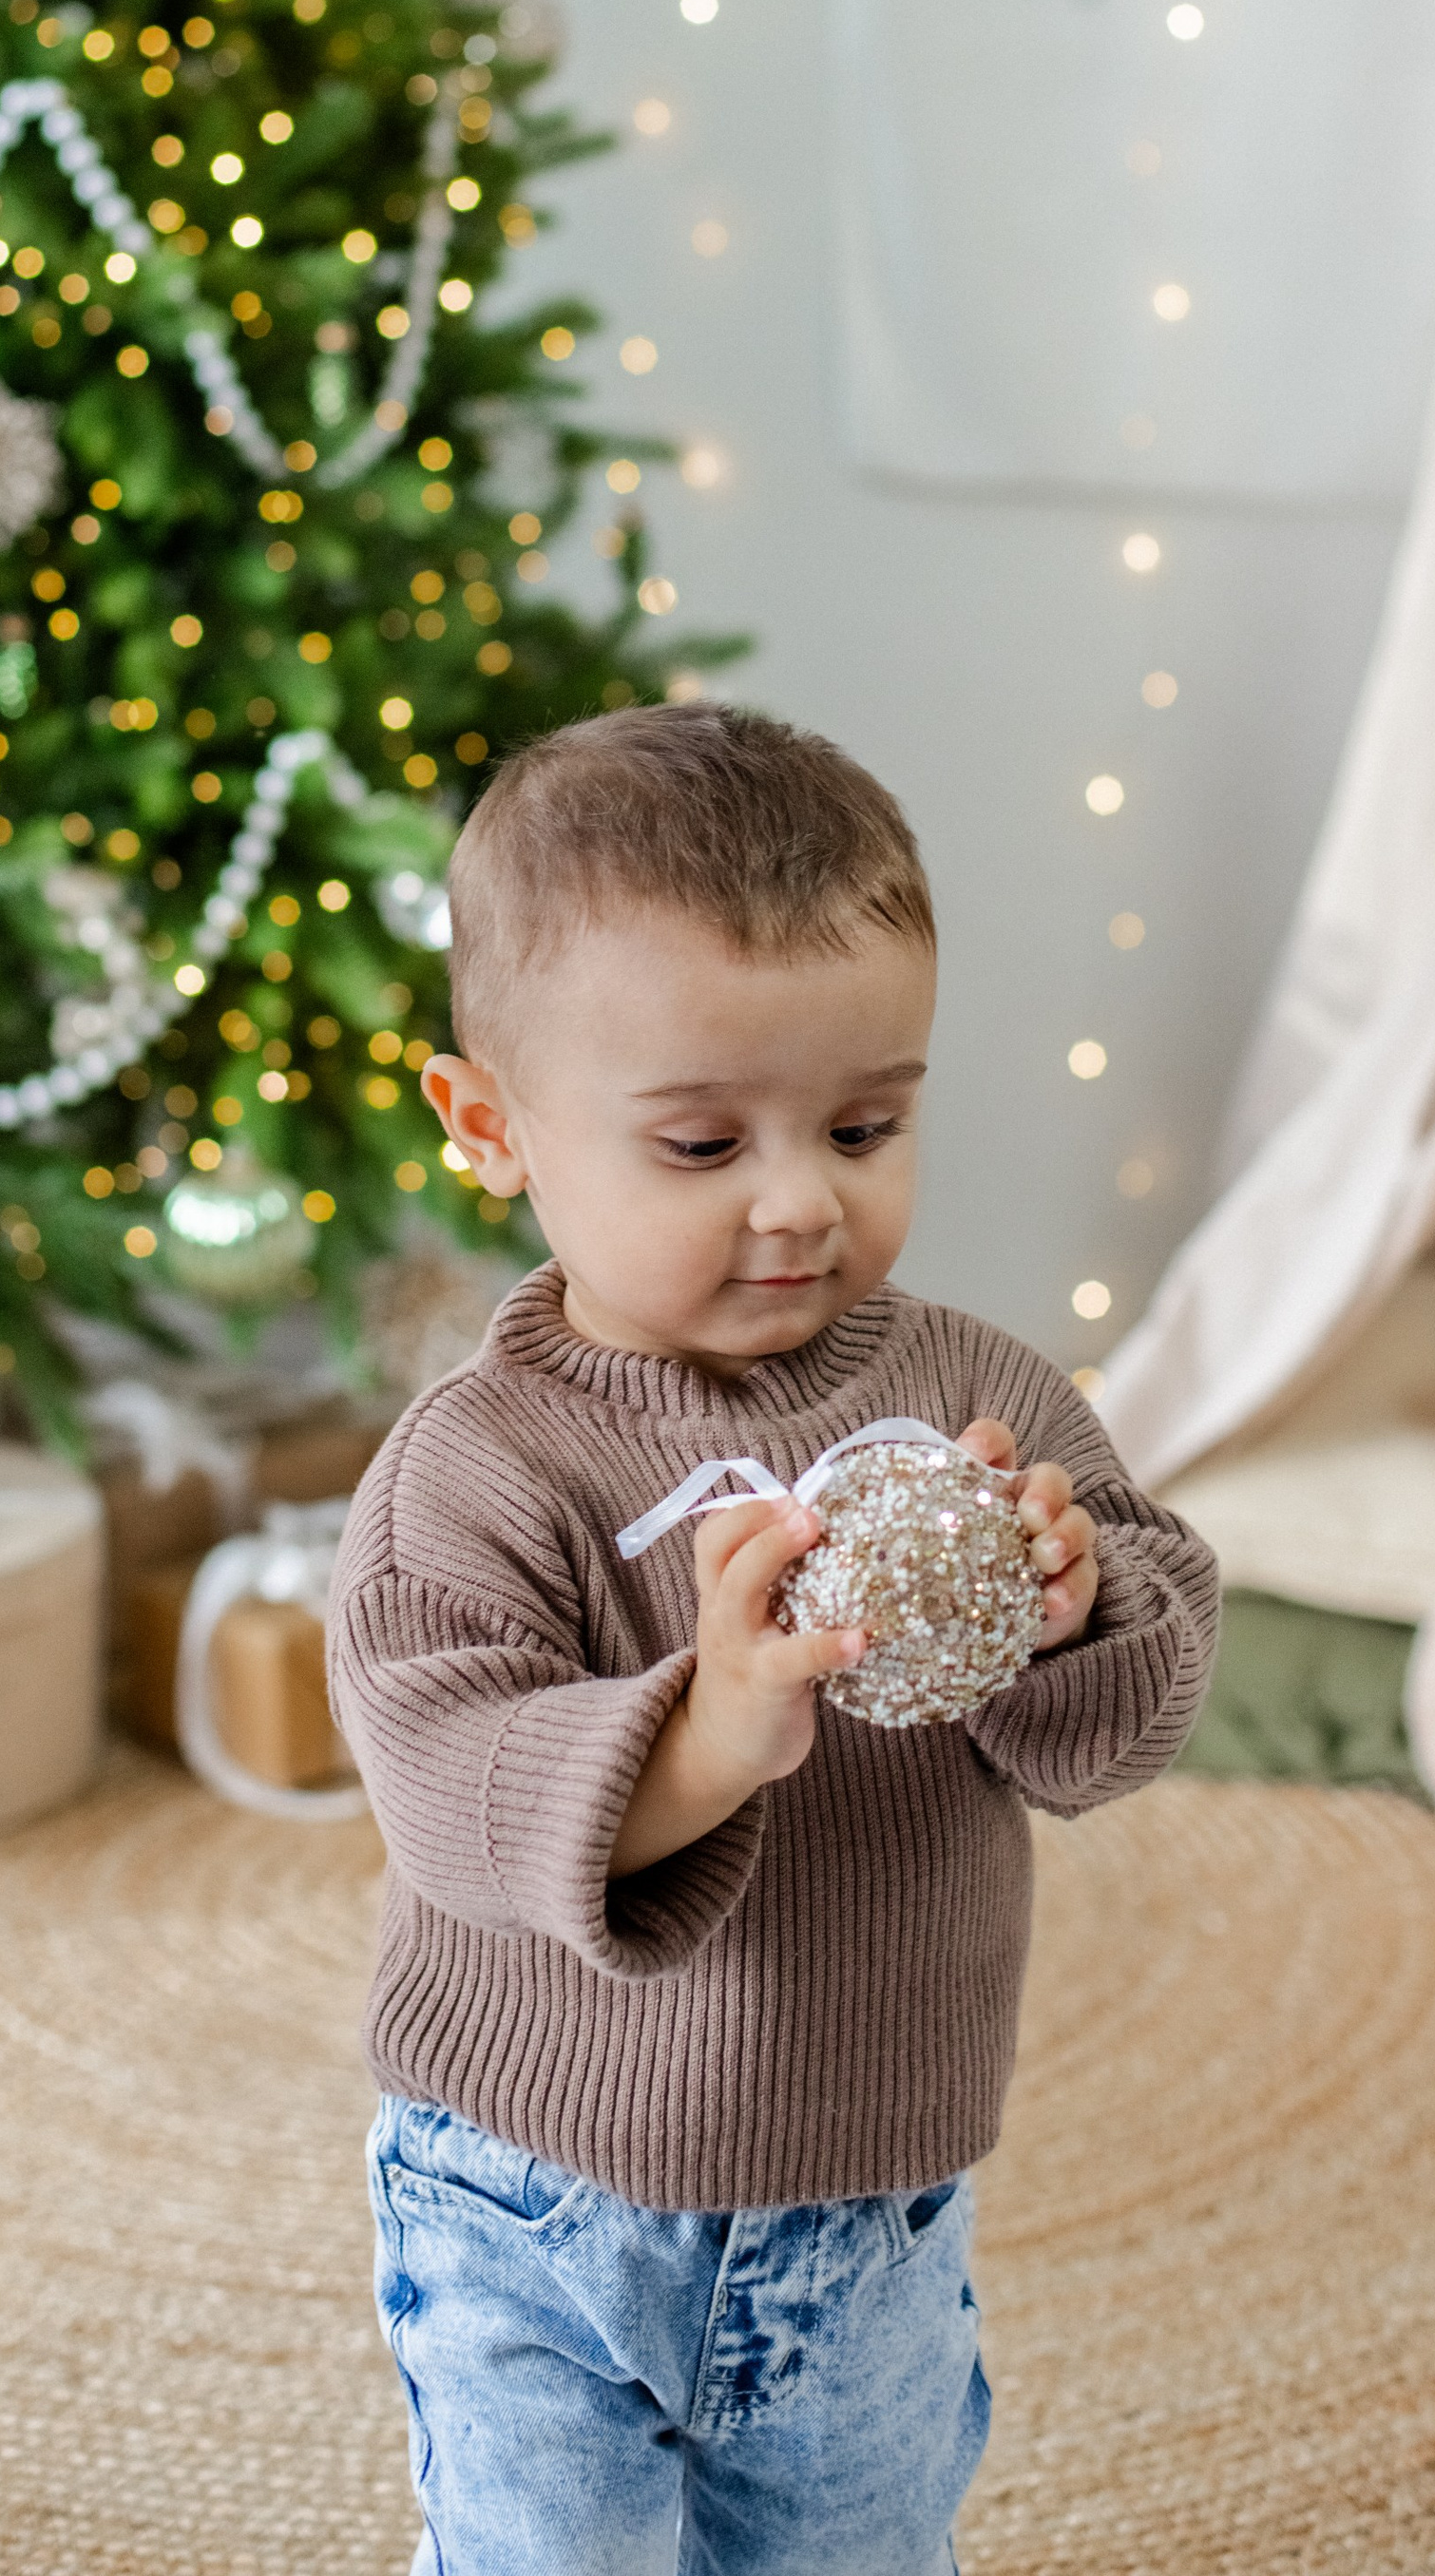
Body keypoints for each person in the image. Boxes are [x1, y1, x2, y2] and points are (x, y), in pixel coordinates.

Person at [326, 702, 1219, 2576]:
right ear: (491, 1125)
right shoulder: (476, 1469)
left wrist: (1069, 1610)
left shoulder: (977, 1390)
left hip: (867, 2193)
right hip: (530, 2190)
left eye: (862, 1121)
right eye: (700, 1138)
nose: (799, 1192)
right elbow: (446, 1786)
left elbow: (1127, 1711)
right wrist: (708, 1729)